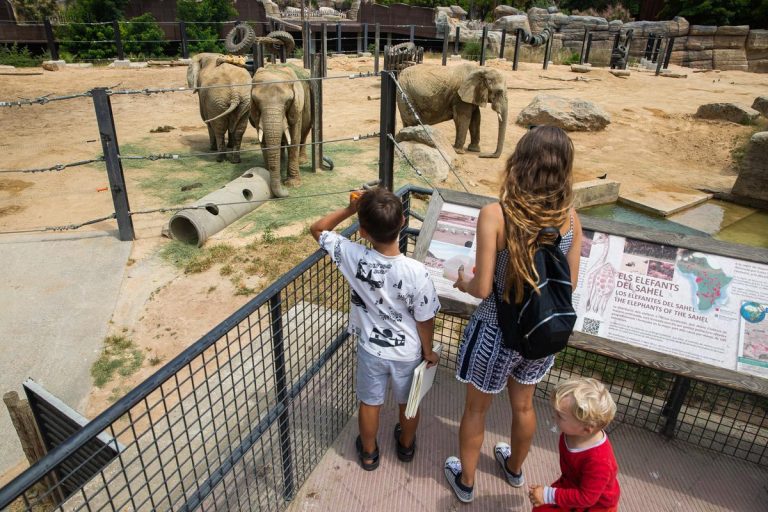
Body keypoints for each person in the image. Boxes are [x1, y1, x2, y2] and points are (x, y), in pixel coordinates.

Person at [444, 125, 583, 502]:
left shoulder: (496, 214)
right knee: (523, 405)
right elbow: (569, 283)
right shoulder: (570, 219)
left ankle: (466, 482)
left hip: (495, 330)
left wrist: (462, 280)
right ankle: (515, 469)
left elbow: (482, 288)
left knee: (476, 410)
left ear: (521, 162)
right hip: (539, 333)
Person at [310, 187, 441, 471]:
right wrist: (428, 351)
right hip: (407, 352)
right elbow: (424, 319)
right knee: (409, 403)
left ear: (363, 232)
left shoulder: (354, 256)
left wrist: (350, 209)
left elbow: (318, 229)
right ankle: (406, 445)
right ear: (403, 221)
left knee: (370, 403)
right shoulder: (417, 272)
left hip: (371, 348)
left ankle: (369, 453)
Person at [529, 377, 620, 511]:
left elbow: (587, 498)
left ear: (586, 429)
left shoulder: (599, 461)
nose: (553, 416)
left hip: (594, 506)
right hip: (572, 485)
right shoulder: (571, 433)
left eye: (560, 416)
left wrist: (547, 494)